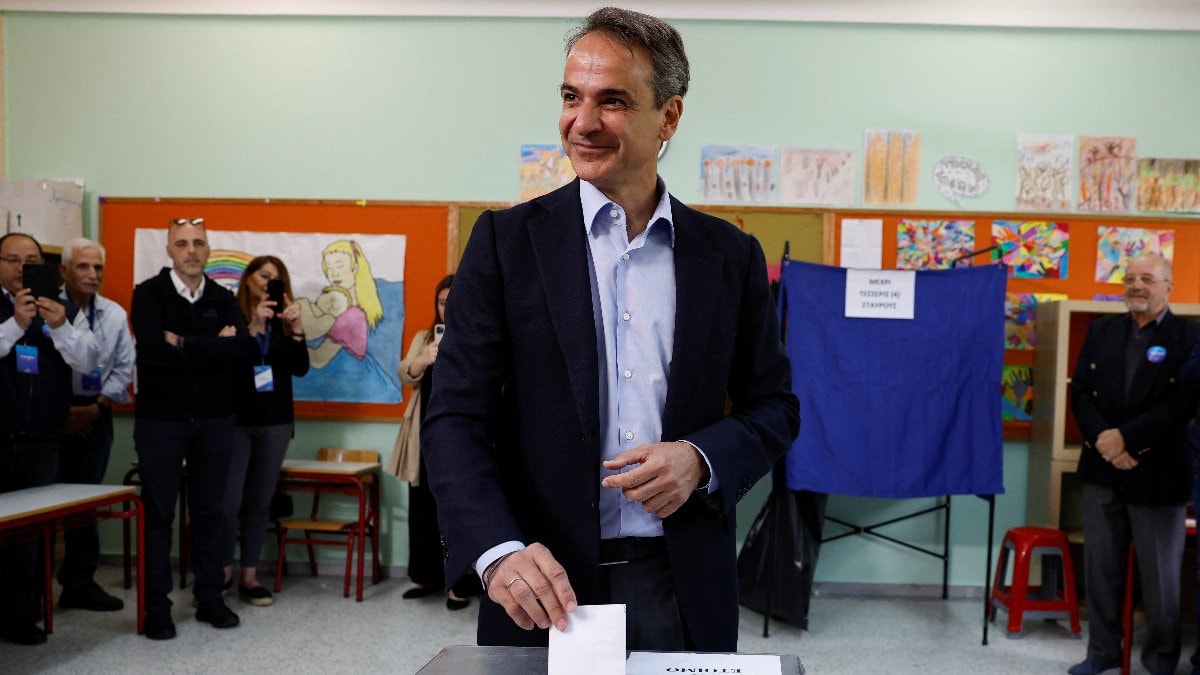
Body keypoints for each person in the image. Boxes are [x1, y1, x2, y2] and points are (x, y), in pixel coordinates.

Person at [421, 7, 798, 652]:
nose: (583, 122)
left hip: (682, 580)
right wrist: (496, 551)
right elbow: (455, 417)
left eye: (613, 101)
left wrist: (701, 458)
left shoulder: (728, 256)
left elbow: (775, 408)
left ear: (669, 118)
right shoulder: (506, 245)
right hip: (541, 582)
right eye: (572, 97)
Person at [1068, 253, 1200, 675]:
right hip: (1102, 468)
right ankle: (1102, 653)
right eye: (1129, 279)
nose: (1136, 285)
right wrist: (1106, 442)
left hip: (1160, 472)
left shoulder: (1190, 335)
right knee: (1101, 570)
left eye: (1147, 278)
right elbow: (1080, 392)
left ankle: (1160, 660)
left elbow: (1183, 404)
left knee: (1161, 577)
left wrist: (1127, 439)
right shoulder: (1102, 331)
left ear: (1168, 286)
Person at [131, 217, 258, 640]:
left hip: (215, 419)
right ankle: (156, 608)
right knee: (158, 514)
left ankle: (209, 598)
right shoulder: (148, 294)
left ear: (208, 250)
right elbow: (153, 354)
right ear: (169, 250)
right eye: (182, 243)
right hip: (160, 421)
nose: (191, 251)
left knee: (210, 512)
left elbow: (242, 350)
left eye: (198, 243)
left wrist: (184, 342)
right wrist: (214, 347)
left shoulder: (222, 297)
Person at [0, 232, 99, 645]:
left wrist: (59, 326)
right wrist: (15, 324)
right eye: (12, 259)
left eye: (32, 261)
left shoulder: (62, 310)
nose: (22, 267)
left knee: (30, 537)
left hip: (41, 441)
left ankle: (22, 615)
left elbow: (89, 359)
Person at [223, 256, 309, 607]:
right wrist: (253, 327)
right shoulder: (231, 313)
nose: (267, 283)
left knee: (259, 503)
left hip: (275, 422)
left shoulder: (284, 320)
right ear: (247, 279)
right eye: (263, 276)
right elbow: (226, 364)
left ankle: (249, 576)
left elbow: (300, 368)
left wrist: (297, 329)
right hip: (235, 421)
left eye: (276, 279)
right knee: (228, 503)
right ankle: (221, 574)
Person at [56, 237, 135, 614]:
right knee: (40, 505)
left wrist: (95, 407)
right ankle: (28, 593)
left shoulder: (114, 314)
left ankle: (79, 583)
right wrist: (64, 414)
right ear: (64, 271)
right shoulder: (43, 307)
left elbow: (124, 368)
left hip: (96, 413)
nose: (92, 274)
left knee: (84, 503)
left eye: (98, 267)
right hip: (51, 418)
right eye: (83, 266)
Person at [392, 274, 474, 610]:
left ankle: (457, 583)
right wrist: (424, 358)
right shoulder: (424, 338)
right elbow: (404, 373)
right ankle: (427, 577)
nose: (446, 307)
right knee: (421, 507)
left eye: (452, 300)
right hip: (422, 436)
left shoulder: (475, 333)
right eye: (441, 302)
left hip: (458, 436)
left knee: (454, 510)